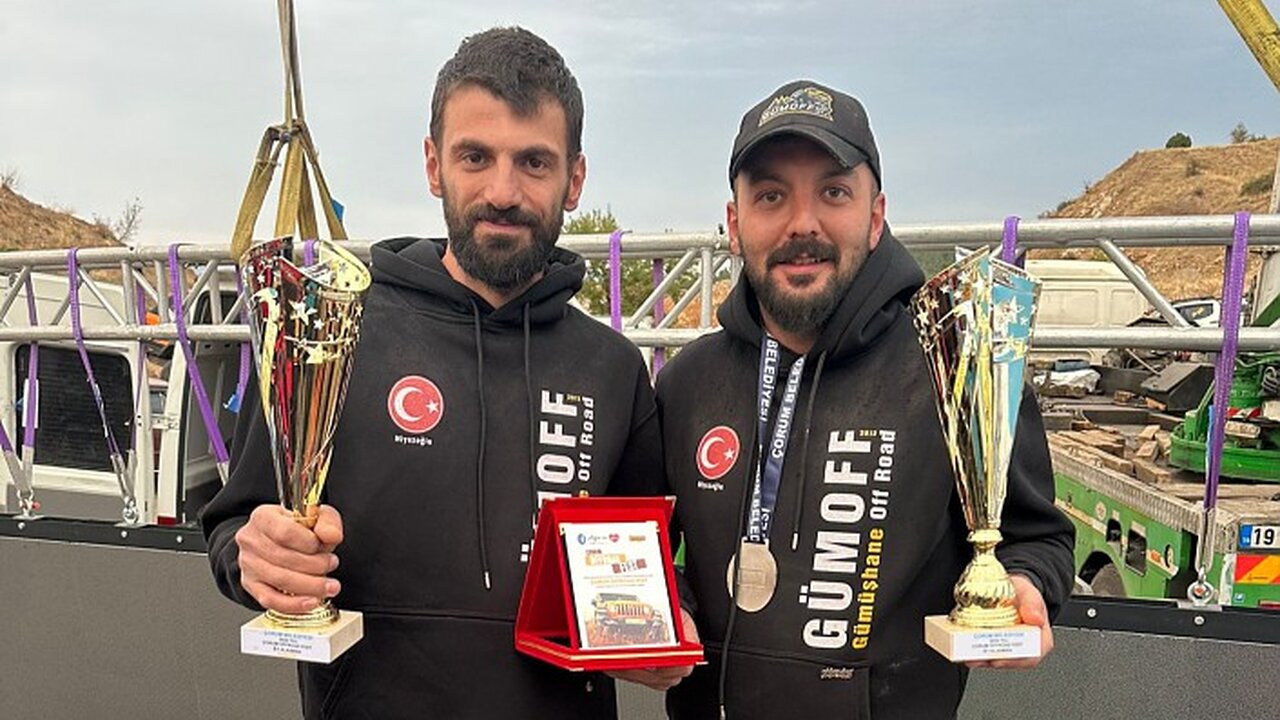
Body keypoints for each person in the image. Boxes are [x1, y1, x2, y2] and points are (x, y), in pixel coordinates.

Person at [202, 27, 691, 720]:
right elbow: (235, 524)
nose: (503, 191)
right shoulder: (330, 335)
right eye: (475, 156)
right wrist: (255, 559)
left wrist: (665, 630)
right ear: (434, 165)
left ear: (574, 179)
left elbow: (655, 569)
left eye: (534, 162)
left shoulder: (613, 369)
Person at [656, 81, 1076, 719]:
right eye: (771, 196)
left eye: (833, 193)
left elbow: (1036, 537)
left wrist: (1022, 585)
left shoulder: (956, 367)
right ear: (735, 224)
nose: (803, 224)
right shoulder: (686, 382)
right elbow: (645, 550)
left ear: (876, 217)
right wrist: (670, 611)